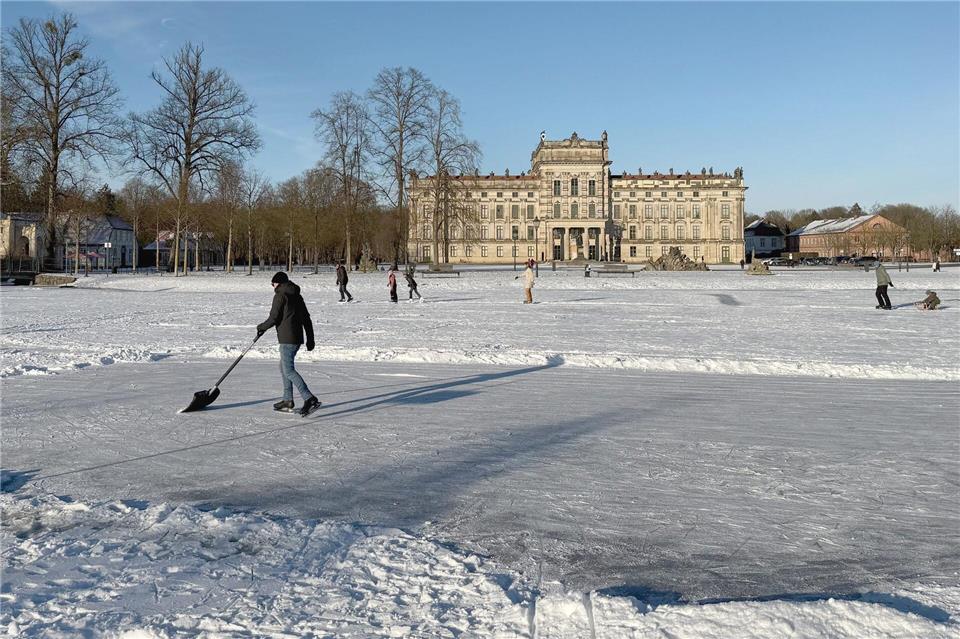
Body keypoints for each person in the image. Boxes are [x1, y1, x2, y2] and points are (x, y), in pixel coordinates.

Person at [257, 271, 320, 416]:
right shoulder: (297, 295)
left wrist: (260, 327)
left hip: (287, 339)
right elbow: (307, 319)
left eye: (272, 284)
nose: (272, 287)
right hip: (296, 338)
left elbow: (273, 318)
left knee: (288, 370)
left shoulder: (280, 295)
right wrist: (310, 338)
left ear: (277, 283)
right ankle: (287, 400)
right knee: (284, 367)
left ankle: (309, 398)